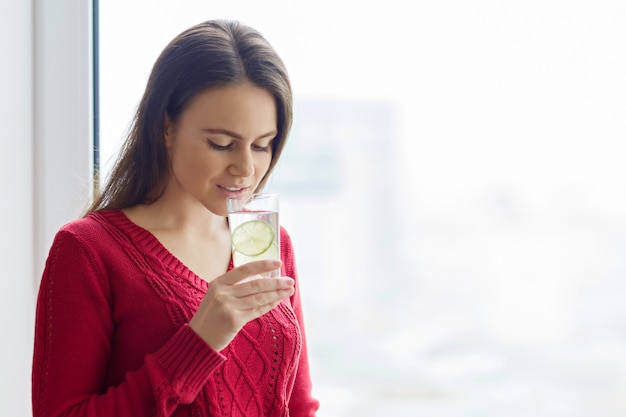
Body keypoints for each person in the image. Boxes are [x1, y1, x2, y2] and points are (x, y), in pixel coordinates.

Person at [32, 19, 319, 417]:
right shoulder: (89, 251)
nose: (246, 169)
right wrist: (198, 343)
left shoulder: (267, 241)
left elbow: (299, 405)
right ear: (166, 127)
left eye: (261, 145)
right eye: (221, 144)